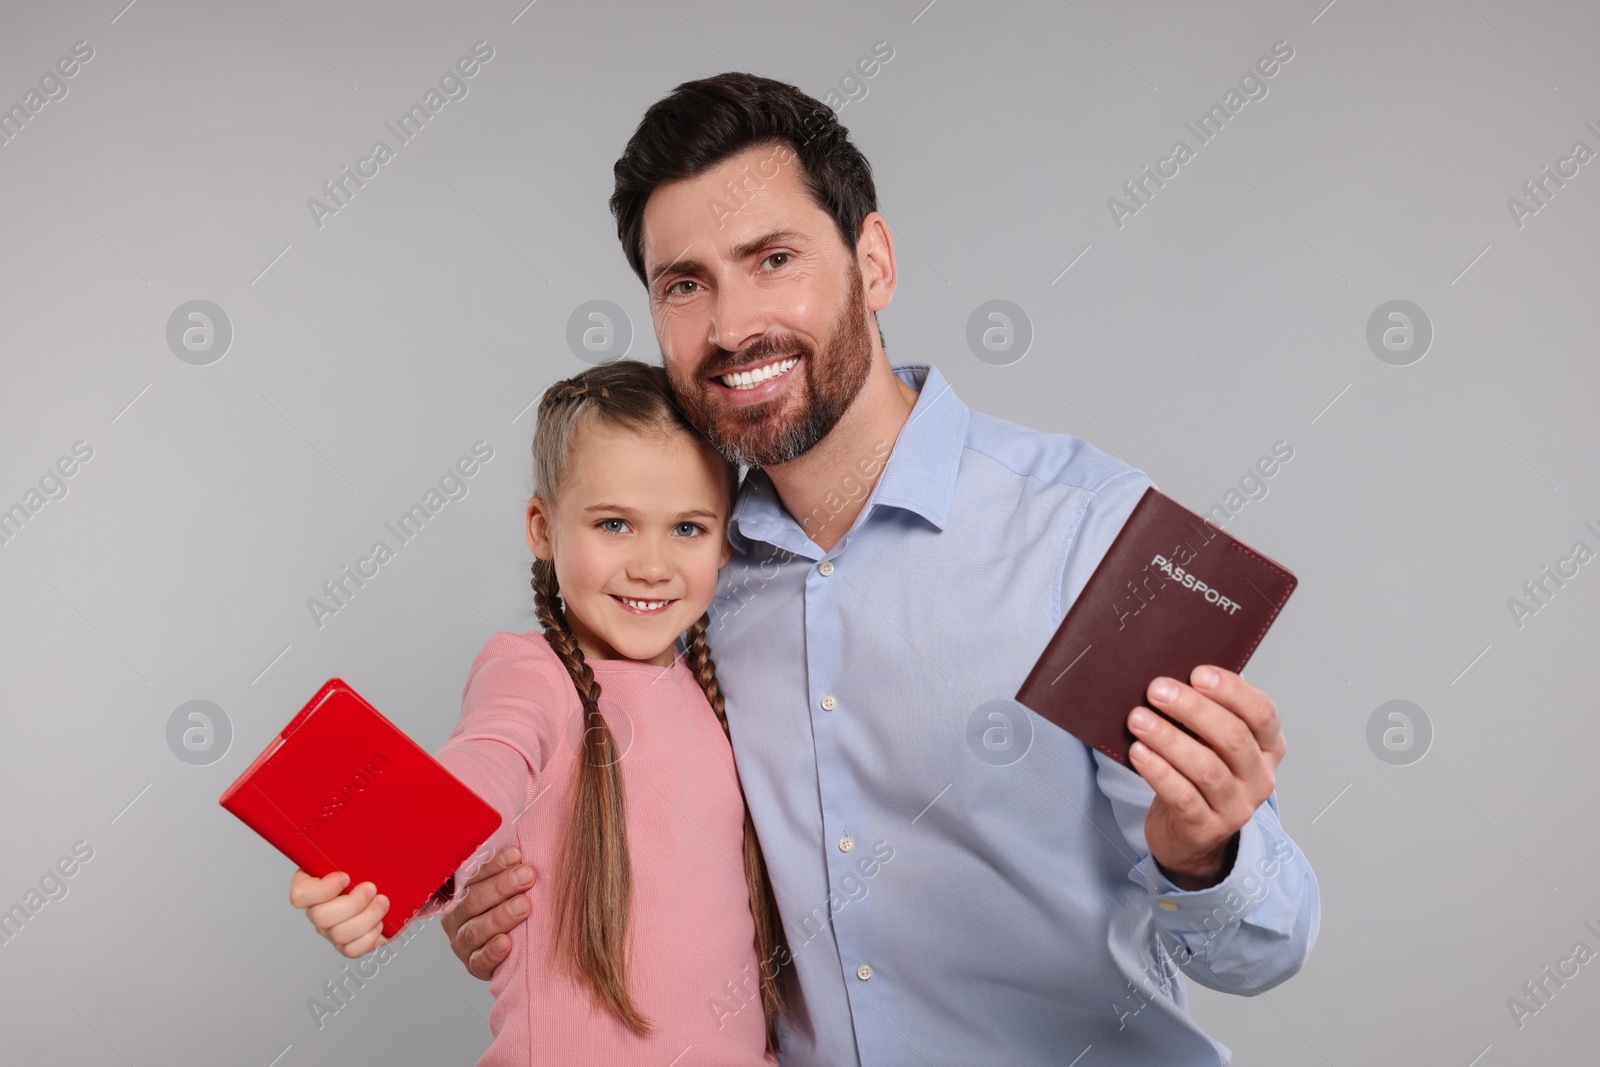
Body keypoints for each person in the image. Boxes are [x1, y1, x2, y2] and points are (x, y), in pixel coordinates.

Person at [450, 72, 1320, 1065]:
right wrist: (520, 897)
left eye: (772, 258)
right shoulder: (679, 585)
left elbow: (1266, 944)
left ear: (873, 262)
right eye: (684, 283)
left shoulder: (1091, 533)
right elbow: (639, 816)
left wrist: (1204, 849)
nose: (731, 327)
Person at [288, 360, 789, 1064]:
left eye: (687, 528)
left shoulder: (711, 693)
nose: (652, 563)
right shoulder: (533, 673)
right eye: (614, 523)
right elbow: (492, 755)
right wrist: (400, 855)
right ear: (542, 526)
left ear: (726, 538)